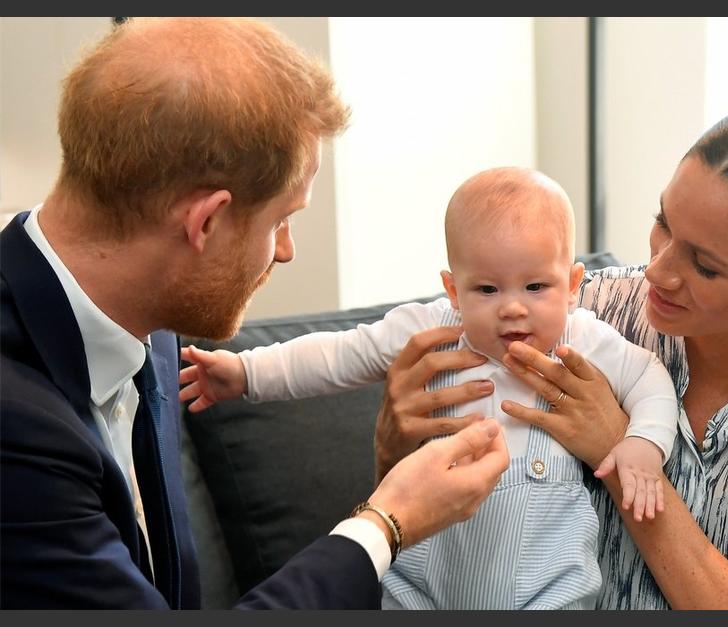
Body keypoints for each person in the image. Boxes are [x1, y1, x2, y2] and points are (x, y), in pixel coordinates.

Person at [0, 17, 509, 609]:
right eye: (281, 220)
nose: (286, 250)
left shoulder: (151, 323)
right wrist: (385, 524)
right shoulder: (16, 429)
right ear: (206, 222)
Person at [373, 96, 728, 609]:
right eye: (663, 222)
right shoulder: (580, 311)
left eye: (704, 265)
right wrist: (394, 444)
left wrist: (619, 453)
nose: (658, 271)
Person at [178, 166, 680, 609]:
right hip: (425, 584)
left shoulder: (584, 338)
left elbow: (650, 379)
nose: (512, 308)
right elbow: (337, 355)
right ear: (451, 289)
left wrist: (641, 445)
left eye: (536, 287)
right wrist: (244, 373)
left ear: (572, 285)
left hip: (547, 590)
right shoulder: (429, 331)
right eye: (486, 289)